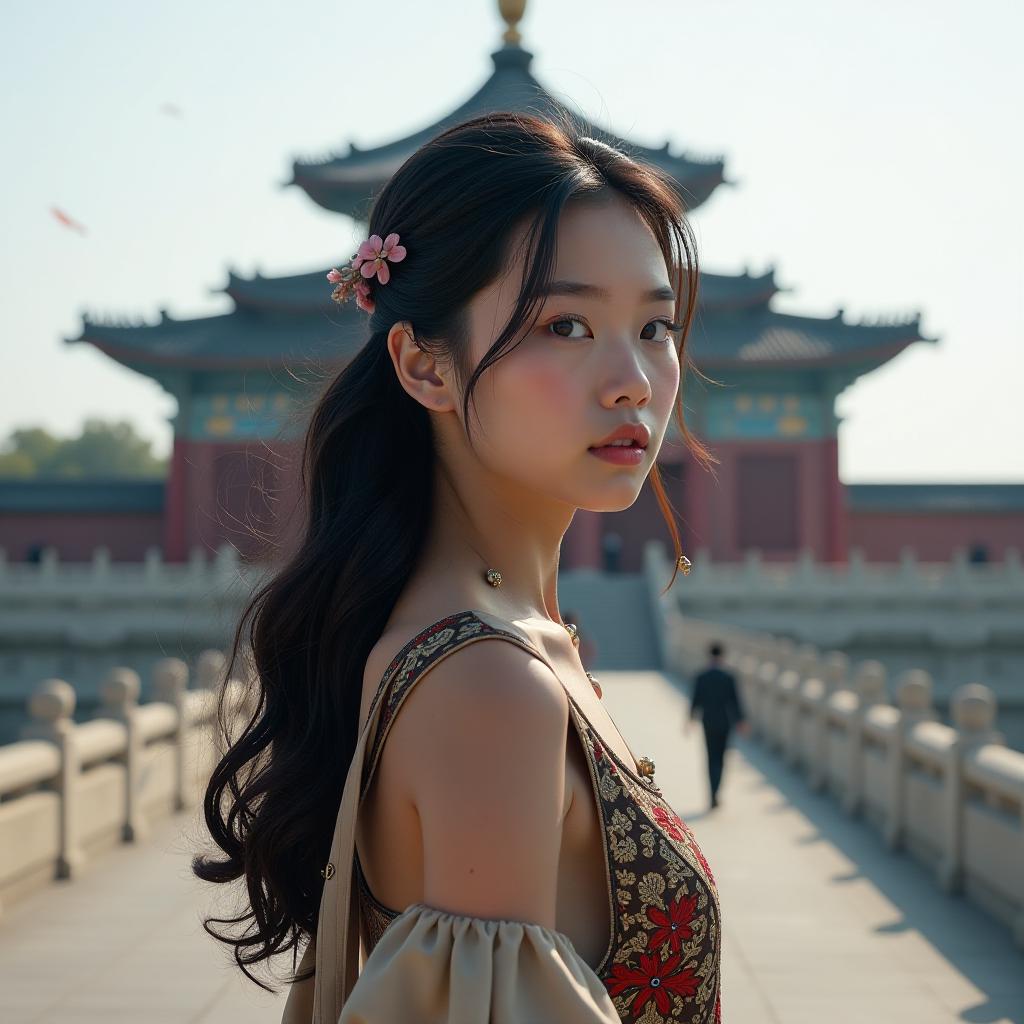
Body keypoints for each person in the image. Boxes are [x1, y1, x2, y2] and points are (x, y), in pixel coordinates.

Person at [191, 109, 724, 1023]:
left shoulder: (508, 641)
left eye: (656, 326)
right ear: (425, 366)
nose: (634, 377)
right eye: (564, 325)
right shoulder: (490, 686)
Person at [687, 641, 750, 809]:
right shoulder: (728, 677)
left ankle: (712, 794)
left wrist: (690, 720)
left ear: (709, 655)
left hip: (708, 722)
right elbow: (735, 702)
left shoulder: (701, 676)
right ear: (722, 656)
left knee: (710, 758)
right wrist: (741, 721)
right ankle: (717, 792)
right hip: (725, 723)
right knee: (721, 759)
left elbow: (695, 700)